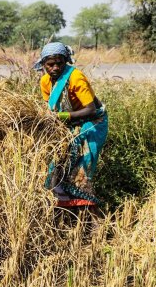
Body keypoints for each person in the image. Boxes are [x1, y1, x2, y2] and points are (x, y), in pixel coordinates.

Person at [35, 43, 109, 213]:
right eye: (50, 64)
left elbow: (91, 110)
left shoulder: (75, 77)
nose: (55, 68)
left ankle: (91, 213)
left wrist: (63, 117)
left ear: (66, 61)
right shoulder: (45, 81)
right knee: (57, 157)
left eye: (59, 63)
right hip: (70, 122)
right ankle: (64, 204)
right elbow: (50, 109)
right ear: (43, 64)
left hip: (93, 122)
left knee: (81, 169)